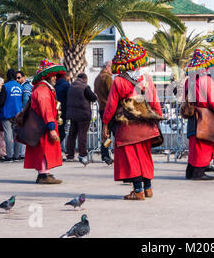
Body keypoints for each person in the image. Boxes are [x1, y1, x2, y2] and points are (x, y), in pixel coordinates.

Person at [102, 38, 163, 200]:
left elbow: (111, 106)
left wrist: (105, 125)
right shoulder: (147, 79)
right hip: (147, 124)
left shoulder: (119, 81)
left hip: (128, 127)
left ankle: (138, 191)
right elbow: (155, 102)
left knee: (132, 158)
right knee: (145, 156)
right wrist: (158, 117)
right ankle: (148, 189)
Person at [24, 59, 66, 184]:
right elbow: (46, 110)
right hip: (43, 126)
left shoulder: (41, 88)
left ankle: (44, 172)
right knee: (44, 150)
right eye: (53, 75)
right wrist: (52, 128)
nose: (55, 78)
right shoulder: (43, 90)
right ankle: (43, 174)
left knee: (42, 149)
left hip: (40, 125)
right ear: (47, 76)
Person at [184, 49, 214, 181]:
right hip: (204, 115)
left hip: (192, 114)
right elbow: (213, 100)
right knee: (203, 145)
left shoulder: (189, 80)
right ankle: (198, 173)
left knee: (193, 145)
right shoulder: (206, 80)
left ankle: (190, 171)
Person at [66, 73, 97, 164]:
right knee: (82, 134)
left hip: (73, 115)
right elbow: (93, 97)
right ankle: (82, 154)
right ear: (85, 79)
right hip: (83, 114)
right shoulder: (85, 86)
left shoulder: (71, 86)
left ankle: (70, 155)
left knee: (72, 134)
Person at [0, 69, 24, 162]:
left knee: (8, 135)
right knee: (17, 135)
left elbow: (1, 102)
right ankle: (16, 156)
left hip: (7, 114)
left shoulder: (5, 86)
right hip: (18, 114)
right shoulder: (20, 87)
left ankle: (9, 156)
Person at [94, 60, 114, 164]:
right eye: (111, 68)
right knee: (109, 133)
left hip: (101, 107)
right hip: (109, 108)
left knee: (105, 133)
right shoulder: (107, 78)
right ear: (107, 67)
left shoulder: (97, 77)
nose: (113, 70)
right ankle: (105, 154)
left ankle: (104, 154)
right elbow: (112, 93)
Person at [55, 73, 70, 154]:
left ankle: (58, 148)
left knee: (59, 129)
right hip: (63, 110)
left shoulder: (55, 85)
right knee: (62, 132)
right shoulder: (66, 85)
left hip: (56, 110)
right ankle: (57, 148)